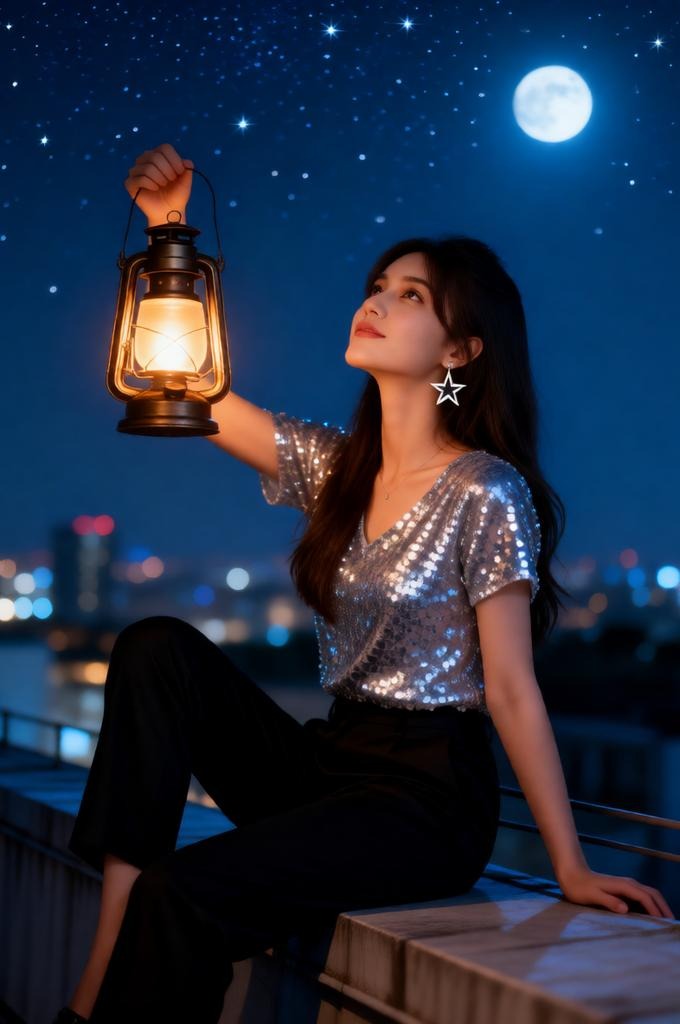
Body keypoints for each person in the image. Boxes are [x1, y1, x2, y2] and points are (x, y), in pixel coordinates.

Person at [52, 143, 674, 1024]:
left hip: (423, 799)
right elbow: (179, 378)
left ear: (461, 348)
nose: (375, 301)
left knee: (189, 893)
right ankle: (94, 982)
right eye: (377, 284)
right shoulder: (339, 472)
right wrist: (168, 233)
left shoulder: (485, 489)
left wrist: (568, 866)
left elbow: (510, 688)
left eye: (410, 296)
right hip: (327, 761)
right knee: (155, 649)